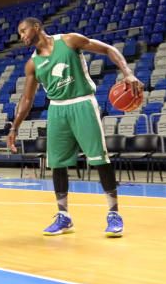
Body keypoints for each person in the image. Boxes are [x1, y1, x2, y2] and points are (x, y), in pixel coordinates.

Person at [7, 18, 142, 237]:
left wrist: (127, 72)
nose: (21, 36)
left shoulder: (69, 41)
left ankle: (114, 214)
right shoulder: (32, 64)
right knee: (57, 163)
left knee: (99, 159)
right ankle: (64, 216)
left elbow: (108, 49)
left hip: (82, 103)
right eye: (19, 33)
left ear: (37, 27)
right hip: (57, 109)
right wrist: (14, 128)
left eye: (23, 31)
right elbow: (26, 99)